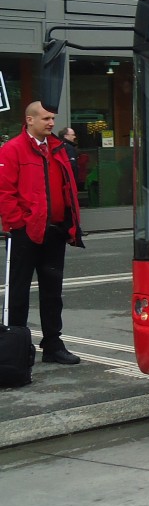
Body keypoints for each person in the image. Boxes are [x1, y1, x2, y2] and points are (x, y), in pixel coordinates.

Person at [0, 102, 85, 366]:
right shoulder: (12, 150)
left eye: (52, 119)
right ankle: (18, 345)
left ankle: (52, 344)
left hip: (54, 231)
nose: (51, 123)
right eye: (46, 118)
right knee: (18, 292)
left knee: (52, 292)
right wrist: (18, 224)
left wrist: (68, 224)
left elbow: (67, 186)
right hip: (25, 232)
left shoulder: (56, 149)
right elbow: (5, 192)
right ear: (30, 120)